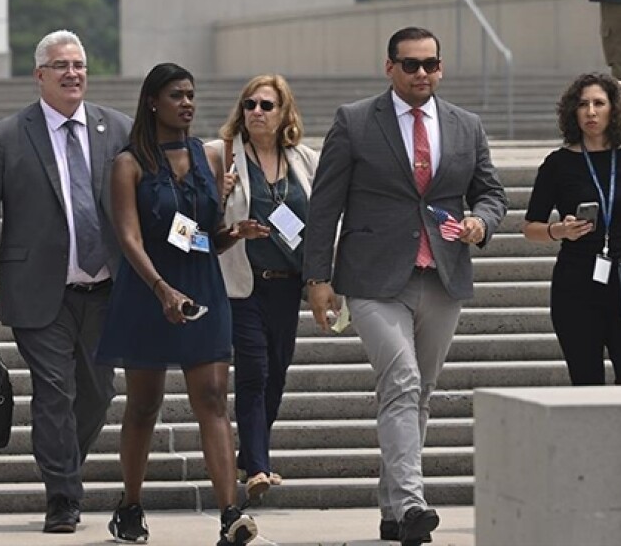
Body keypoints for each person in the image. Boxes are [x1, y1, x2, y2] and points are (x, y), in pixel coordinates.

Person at [303, 27, 507, 546]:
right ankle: (414, 502)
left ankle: (393, 509)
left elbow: (491, 193)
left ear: (441, 68)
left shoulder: (466, 125)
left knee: (420, 391)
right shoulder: (354, 121)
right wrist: (317, 277)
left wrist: (481, 221)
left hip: (442, 275)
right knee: (402, 381)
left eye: (430, 64)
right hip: (373, 278)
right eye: (411, 64)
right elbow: (325, 205)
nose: (421, 73)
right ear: (389, 67)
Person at [0, 30, 131, 534]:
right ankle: (62, 497)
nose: (72, 73)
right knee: (54, 392)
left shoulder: (117, 128)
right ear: (39, 75)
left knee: (98, 395)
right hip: (39, 290)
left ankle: (64, 467)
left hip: (105, 289)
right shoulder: (9, 135)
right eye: (61, 65)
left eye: (78, 65)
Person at [96, 62, 262, 545]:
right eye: (175, 95)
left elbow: (202, 237)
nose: (186, 103)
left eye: (190, 94)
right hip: (147, 291)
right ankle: (130, 505)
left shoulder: (209, 157)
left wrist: (234, 234)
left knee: (212, 397)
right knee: (144, 403)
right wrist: (161, 289)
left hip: (203, 287)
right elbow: (130, 238)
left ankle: (230, 513)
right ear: (152, 102)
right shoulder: (129, 164)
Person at [206, 75, 318, 500]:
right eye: (250, 104)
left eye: (266, 105)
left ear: (284, 112)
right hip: (241, 284)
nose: (256, 112)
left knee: (277, 373)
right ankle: (258, 466)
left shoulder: (303, 159)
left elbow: (323, 218)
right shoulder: (221, 155)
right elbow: (191, 223)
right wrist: (218, 196)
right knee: (254, 371)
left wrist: (323, 277)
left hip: (286, 285)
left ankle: (250, 454)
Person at [523, 73, 621, 386]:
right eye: (583, 104)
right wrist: (559, 231)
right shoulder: (558, 164)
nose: (590, 112)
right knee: (585, 381)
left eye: (599, 103)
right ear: (572, 111)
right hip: (576, 283)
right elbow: (530, 227)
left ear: (614, 109)